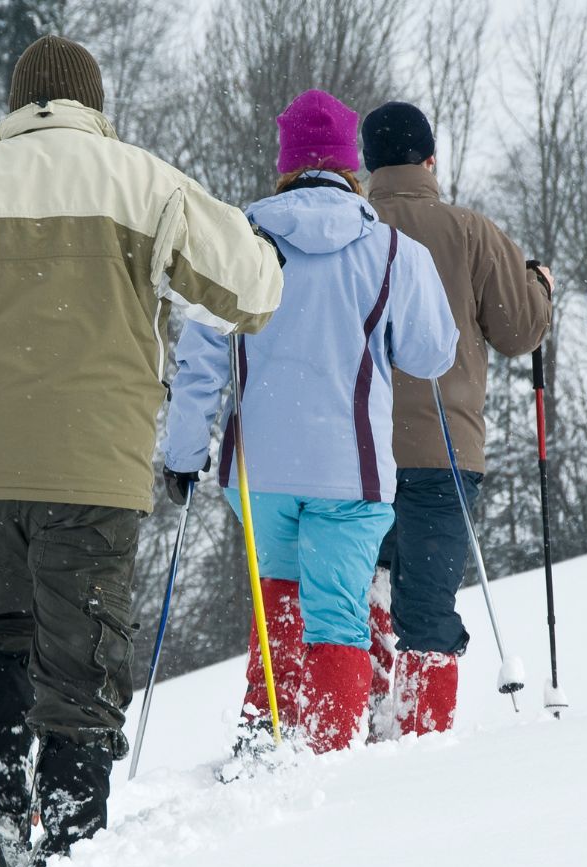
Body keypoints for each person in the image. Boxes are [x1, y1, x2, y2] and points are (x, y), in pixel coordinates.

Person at [0, 35, 283, 867]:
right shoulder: (144, 183)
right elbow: (252, 294)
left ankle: (0, 811)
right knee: (83, 648)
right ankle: (72, 828)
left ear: (17, 108)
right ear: (94, 105)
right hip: (95, 466)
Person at [162, 90, 458, 758]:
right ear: (350, 165)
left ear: (285, 163)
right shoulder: (392, 251)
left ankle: (269, 740)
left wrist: (183, 456)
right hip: (350, 472)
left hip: (260, 470)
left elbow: (200, 359)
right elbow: (432, 353)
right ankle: (326, 754)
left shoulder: (240, 242)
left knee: (280, 606)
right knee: (337, 619)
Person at [359, 101, 553, 735]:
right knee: (430, 606)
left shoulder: (353, 227)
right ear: (430, 160)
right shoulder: (470, 231)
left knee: (364, 591)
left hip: (357, 455)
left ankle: (363, 717)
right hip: (445, 452)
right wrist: (540, 287)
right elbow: (519, 331)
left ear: (367, 164)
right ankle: (419, 738)